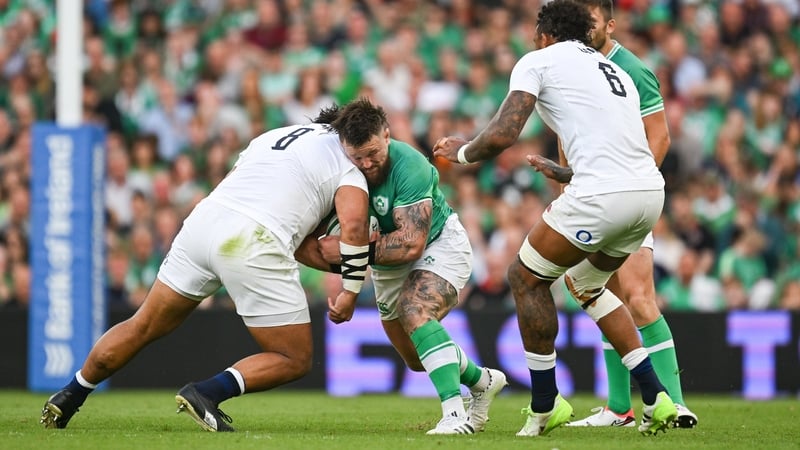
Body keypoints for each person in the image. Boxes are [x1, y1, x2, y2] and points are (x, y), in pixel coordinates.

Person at [433, 0, 677, 437]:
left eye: (534, 37)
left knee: (525, 277)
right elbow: (618, 145)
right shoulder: (613, 70)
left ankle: (545, 403)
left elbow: (505, 131)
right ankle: (656, 396)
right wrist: (565, 172)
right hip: (648, 195)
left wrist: (463, 151)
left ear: (545, 35)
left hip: (601, 196)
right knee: (586, 284)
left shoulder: (539, 60)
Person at [40, 118, 373, 432]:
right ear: (355, 138)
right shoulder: (349, 166)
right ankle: (207, 393)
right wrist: (352, 288)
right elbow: (354, 228)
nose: (371, 161)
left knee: (142, 324)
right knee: (295, 358)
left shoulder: (276, 136)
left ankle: (71, 392)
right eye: (370, 152)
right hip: (250, 238)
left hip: (204, 222)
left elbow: (263, 201)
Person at [526, 0, 698, 429]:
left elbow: (658, 136)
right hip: (590, 199)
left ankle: (674, 404)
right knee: (601, 295)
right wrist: (570, 184)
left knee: (638, 297)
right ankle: (619, 407)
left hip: (622, 196)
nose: (584, 30)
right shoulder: (571, 66)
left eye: (593, 23)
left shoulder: (630, 69)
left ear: (610, 25)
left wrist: (622, 186)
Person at [317, 98, 507, 435]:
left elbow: (410, 244)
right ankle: (482, 380)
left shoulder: (411, 166)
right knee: (416, 359)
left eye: (373, 153)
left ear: (387, 135)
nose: (366, 163)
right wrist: (350, 279)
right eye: (357, 156)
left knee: (415, 309)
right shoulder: (339, 170)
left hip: (438, 244)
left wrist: (349, 253)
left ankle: (453, 415)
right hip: (385, 261)